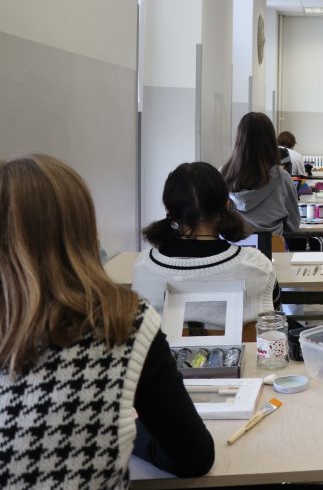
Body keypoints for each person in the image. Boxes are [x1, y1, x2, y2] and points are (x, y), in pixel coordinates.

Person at [0, 155, 214, 485]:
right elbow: (192, 456)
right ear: (83, 229)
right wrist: (121, 426)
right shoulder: (125, 322)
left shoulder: (144, 267)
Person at [133, 162, 277, 326]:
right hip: (242, 352)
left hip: (167, 352)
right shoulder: (257, 266)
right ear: (226, 204)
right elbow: (274, 323)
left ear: (168, 209)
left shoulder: (143, 267)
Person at [222, 112, 300, 235]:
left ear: (238, 140)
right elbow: (293, 225)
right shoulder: (282, 178)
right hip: (271, 251)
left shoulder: (221, 176)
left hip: (231, 250)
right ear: (271, 142)